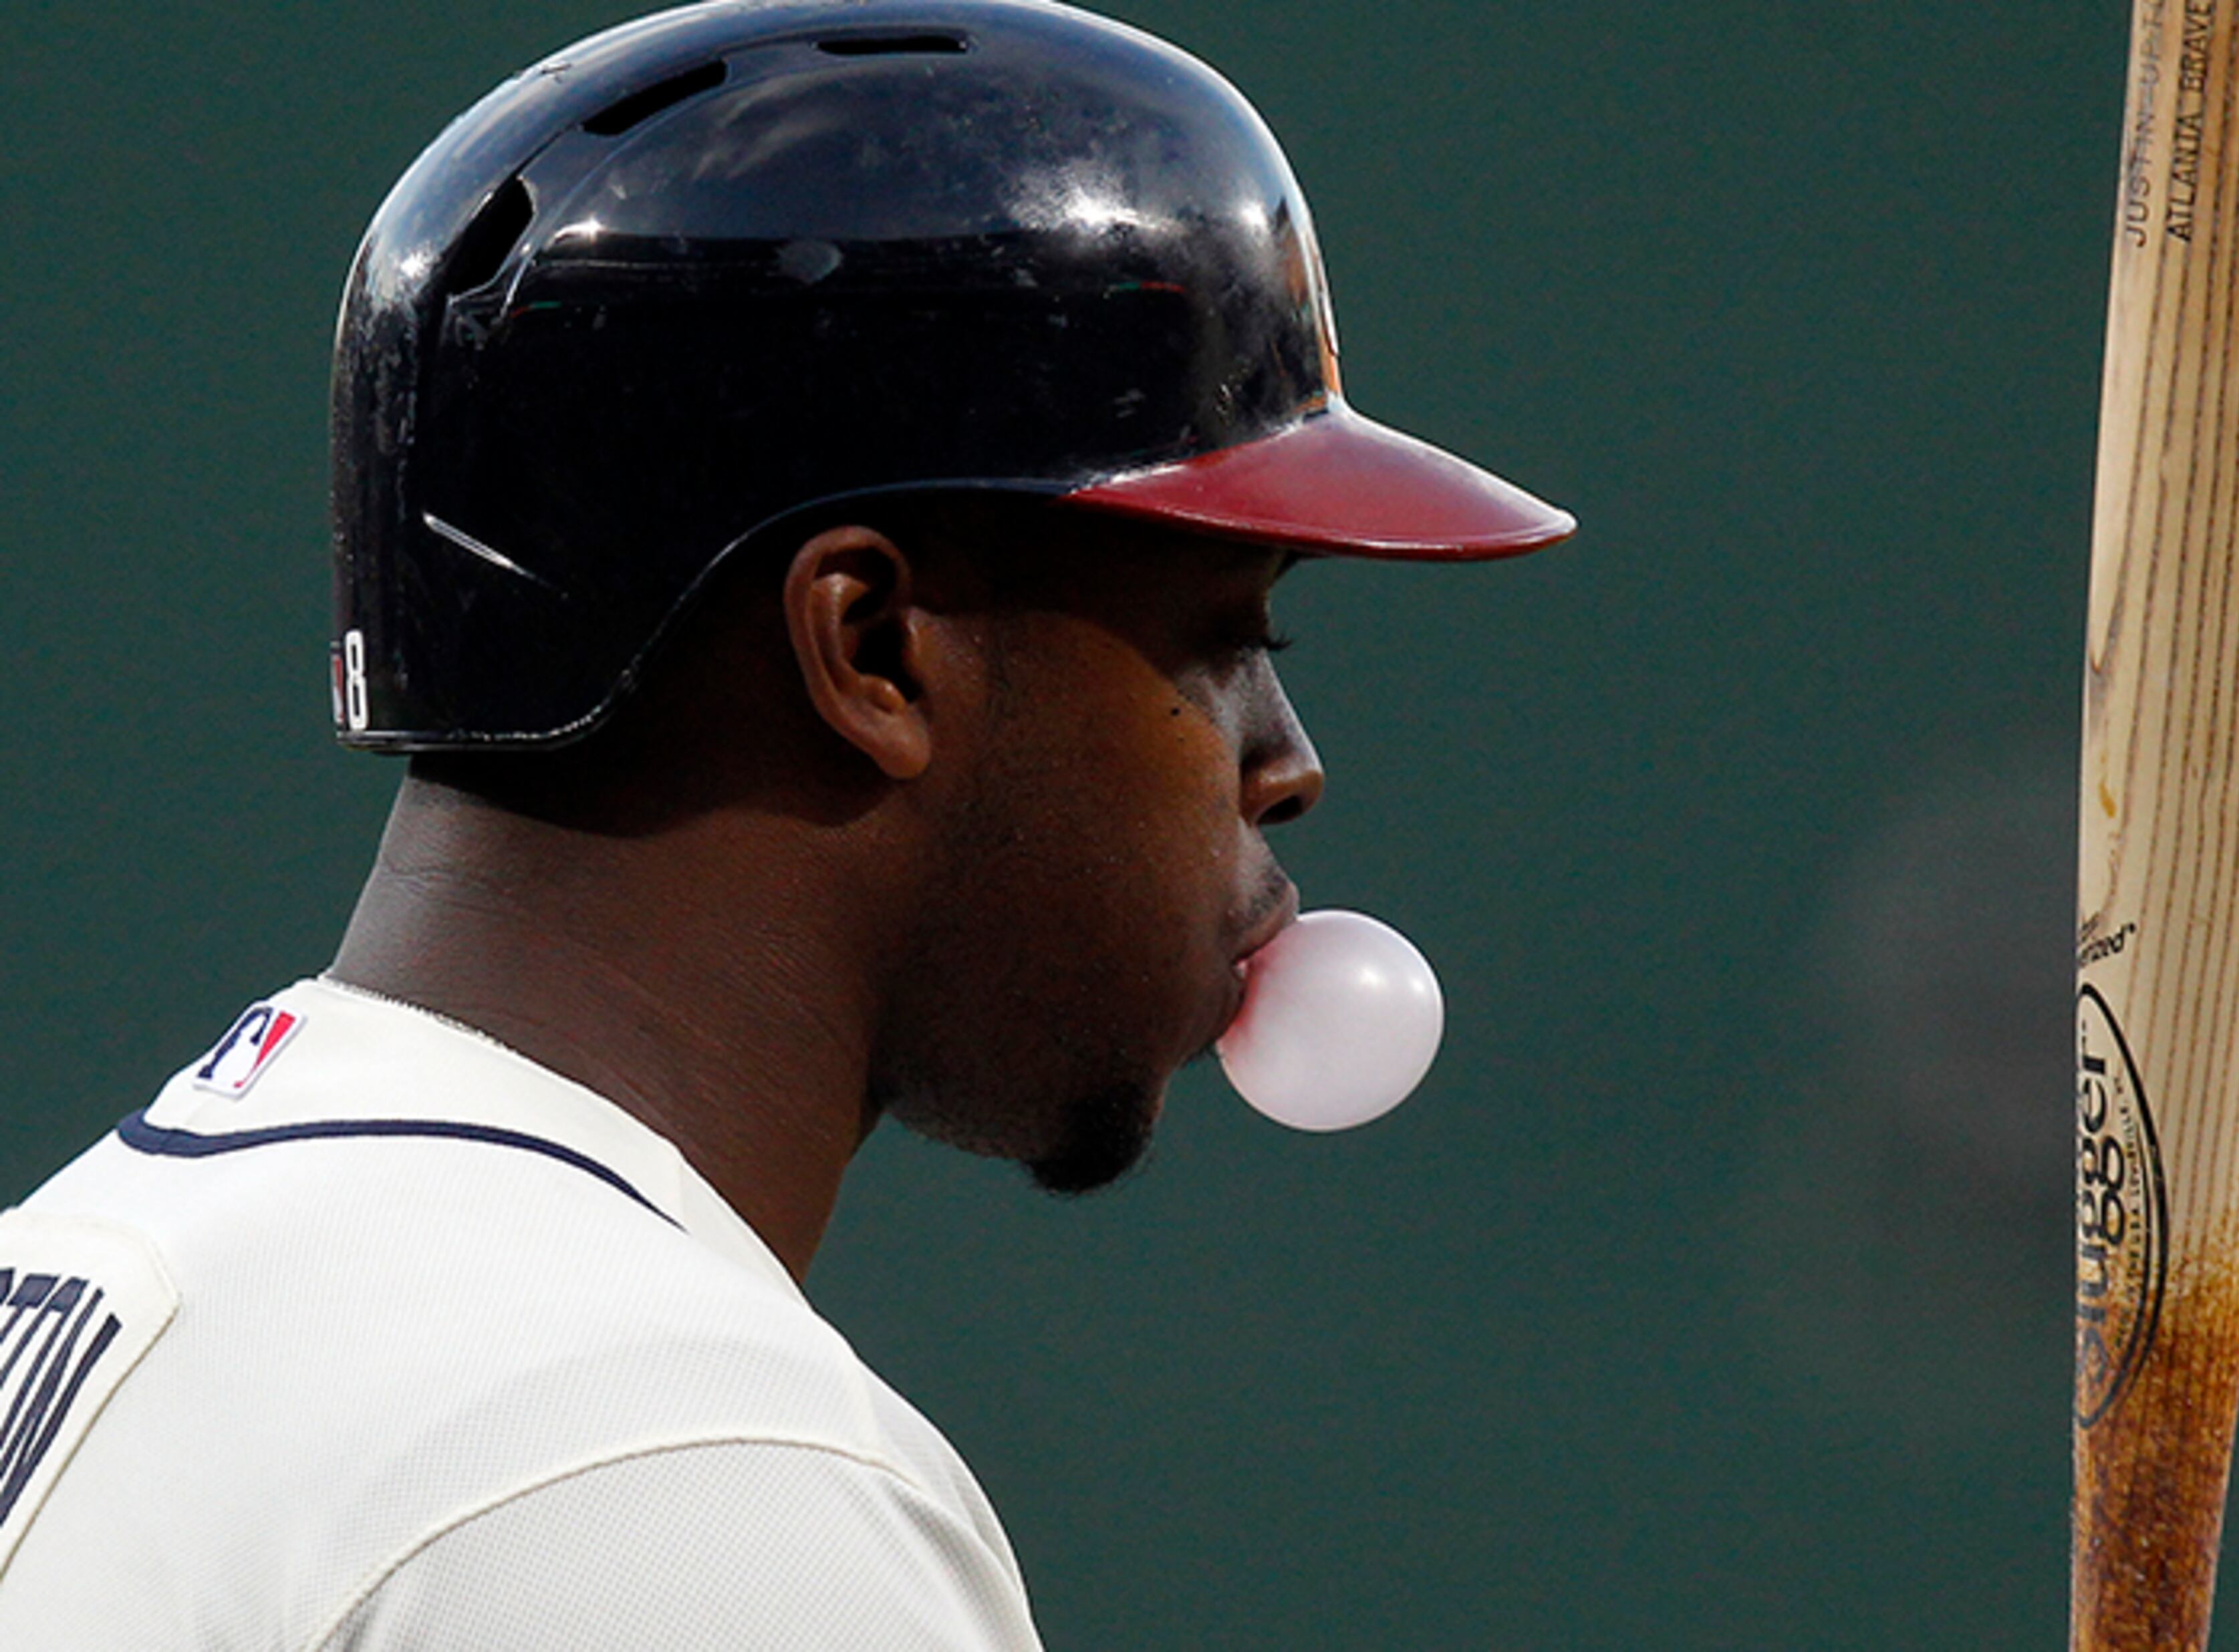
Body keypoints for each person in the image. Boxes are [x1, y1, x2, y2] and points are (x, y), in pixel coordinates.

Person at [0, 1, 1571, 1644]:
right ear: (874, 650)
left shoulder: (102, 1270)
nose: (1285, 760)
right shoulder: (655, 1471)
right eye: (1231, 636)